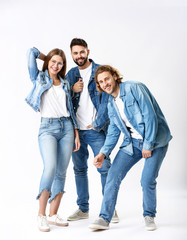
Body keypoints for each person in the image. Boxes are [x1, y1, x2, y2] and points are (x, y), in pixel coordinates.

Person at [89, 65, 172, 231]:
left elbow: (151, 118)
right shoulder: (111, 104)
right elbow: (113, 132)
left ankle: (149, 215)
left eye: (107, 79)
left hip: (156, 141)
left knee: (147, 180)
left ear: (114, 76)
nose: (105, 83)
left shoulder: (134, 88)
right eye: (101, 82)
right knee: (112, 174)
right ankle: (104, 218)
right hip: (133, 143)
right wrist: (103, 153)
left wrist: (148, 145)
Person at [25, 47, 80, 232]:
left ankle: (53, 214)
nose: (56, 65)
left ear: (63, 66)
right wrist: (45, 56)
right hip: (47, 128)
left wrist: (76, 133)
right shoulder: (39, 79)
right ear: (48, 62)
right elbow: (30, 52)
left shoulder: (65, 83)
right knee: (50, 167)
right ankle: (41, 215)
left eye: (60, 63)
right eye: (53, 61)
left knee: (62, 172)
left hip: (67, 129)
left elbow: (70, 110)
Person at [65, 38, 119, 222]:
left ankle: (109, 208)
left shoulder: (100, 71)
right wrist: (72, 90)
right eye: (75, 53)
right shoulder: (71, 74)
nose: (79, 56)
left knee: (105, 168)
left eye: (82, 52)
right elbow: (63, 101)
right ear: (71, 55)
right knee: (79, 170)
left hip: (95, 131)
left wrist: (97, 124)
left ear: (88, 51)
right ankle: (83, 209)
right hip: (76, 132)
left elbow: (107, 103)